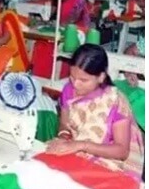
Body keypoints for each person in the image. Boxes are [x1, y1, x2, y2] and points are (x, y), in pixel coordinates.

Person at [47, 44, 144, 181]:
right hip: (78, 154)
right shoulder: (69, 90)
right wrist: (64, 137)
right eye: (72, 77)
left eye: (83, 80)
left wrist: (81, 145)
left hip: (112, 164)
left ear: (101, 77)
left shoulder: (115, 102)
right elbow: (64, 123)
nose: (75, 84)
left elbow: (122, 152)